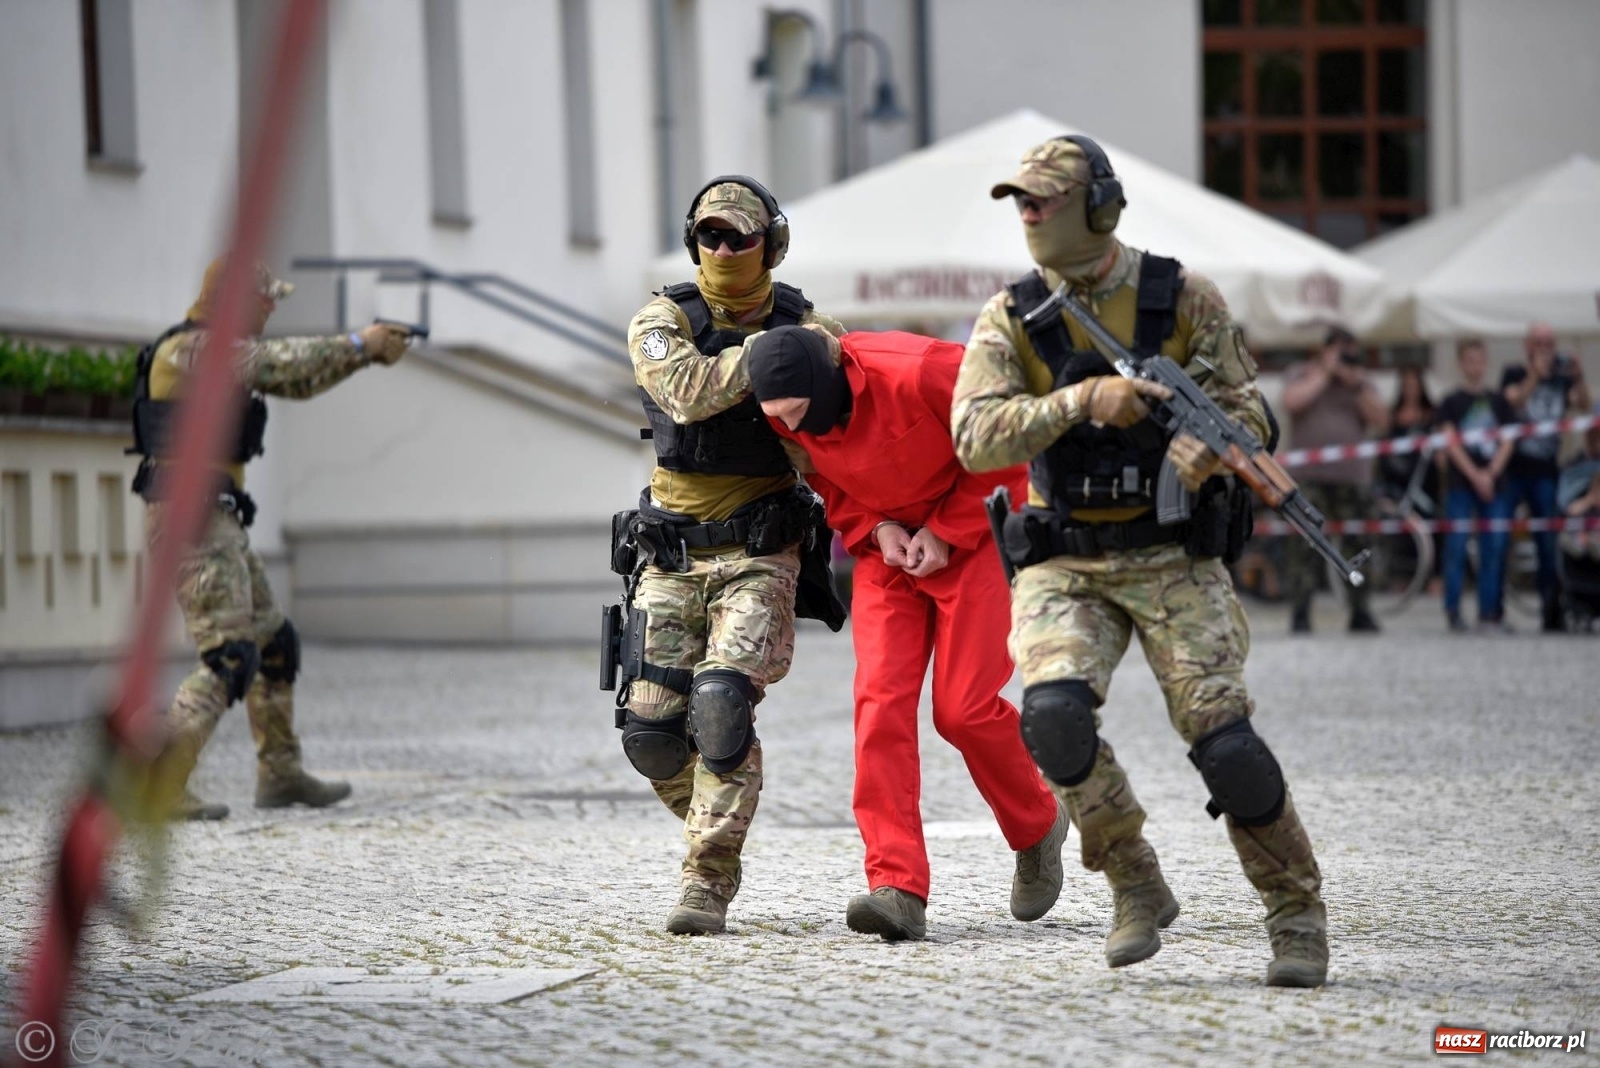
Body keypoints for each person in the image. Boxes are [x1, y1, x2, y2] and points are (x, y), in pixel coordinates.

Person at [951, 135, 1328, 986]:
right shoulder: (1010, 316)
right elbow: (973, 437)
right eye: (1020, 201)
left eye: (1044, 198)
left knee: (1225, 744)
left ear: (1102, 206)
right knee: (1052, 717)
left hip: (1172, 554)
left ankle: (1296, 912)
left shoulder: (1181, 296)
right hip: (1066, 559)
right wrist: (1082, 400)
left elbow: (1249, 413)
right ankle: (1132, 877)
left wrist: (1206, 448)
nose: (1029, 213)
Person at [747, 325, 1068, 943]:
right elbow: (825, 481)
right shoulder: (784, 412)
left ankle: (1037, 824)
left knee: (964, 710)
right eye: (781, 420)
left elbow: (1012, 442)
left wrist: (946, 530)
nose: (795, 427)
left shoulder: (922, 370)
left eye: (800, 414)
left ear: (829, 383)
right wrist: (872, 528)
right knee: (880, 707)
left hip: (971, 540)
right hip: (887, 552)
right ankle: (895, 886)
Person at [615, 176, 845, 936]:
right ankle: (716, 820)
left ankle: (707, 878)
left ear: (770, 245)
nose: (723, 249)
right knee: (651, 735)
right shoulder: (662, 319)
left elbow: (841, 434)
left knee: (720, 707)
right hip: (670, 553)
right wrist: (779, 359)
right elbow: (683, 391)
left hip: (759, 549)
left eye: (739, 237)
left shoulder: (813, 326)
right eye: (710, 235)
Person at [134, 260, 414, 820]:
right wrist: (361, 343)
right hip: (192, 517)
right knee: (230, 654)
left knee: (273, 643)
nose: (270, 309)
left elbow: (297, 380)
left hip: (215, 516)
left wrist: (364, 355)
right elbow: (282, 366)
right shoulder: (194, 349)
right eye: (263, 300)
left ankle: (280, 773)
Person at [1280, 326, 1389, 633]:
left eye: (1349, 352)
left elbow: (1380, 420)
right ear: (1324, 350)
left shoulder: (1361, 381)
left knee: (1358, 540)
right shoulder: (1302, 373)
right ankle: (1300, 611)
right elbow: (1292, 402)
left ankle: (1360, 609)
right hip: (1308, 478)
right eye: (1339, 351)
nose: (1345, 358)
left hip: (1352, 478)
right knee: (1304, 544)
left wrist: (1354, 386)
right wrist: (1326, 374)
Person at [1501, 323, 1592, 631]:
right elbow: (1514, 401)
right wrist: (1535, 375)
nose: (1545, 347)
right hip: (1514, 469)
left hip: (1547, 470)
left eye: (1550, 342)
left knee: (1547, 545)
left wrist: (1579, 375)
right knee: (1499, 540)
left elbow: (1585, 405)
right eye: (1539, 342)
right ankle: (1493, 613)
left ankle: (1551, 614)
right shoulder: (1514, 372)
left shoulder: (1562, 376)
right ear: (1528, 345)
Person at [1436, 340, 1518, 632]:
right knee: (1456, 547)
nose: (1475, 366)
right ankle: (1453, 611)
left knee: (1494, 547)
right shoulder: (1451, 402)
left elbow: (1509, 439)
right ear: (1461, 363)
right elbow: (1450, 441)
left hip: (1494, 483)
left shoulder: (1499, 402)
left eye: (1479, 360)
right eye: (1469, 360)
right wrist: (1475, 475)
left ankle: (1489, 612)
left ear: (1486, 363)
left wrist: (1491, 472)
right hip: (1461, 483)